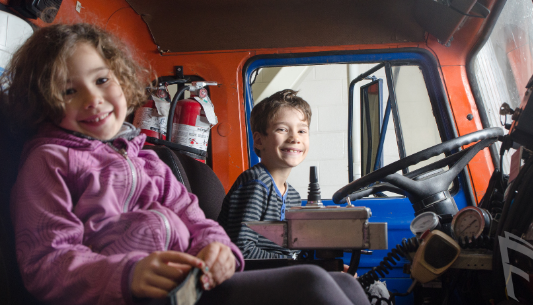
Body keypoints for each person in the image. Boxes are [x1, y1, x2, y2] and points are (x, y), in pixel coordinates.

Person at [3, 23, 369, 305]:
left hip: (190, 284)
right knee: (312, 284)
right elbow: (46, 261)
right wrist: (125, 275)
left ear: (120, 77)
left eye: (101, 80)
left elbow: (192, 215)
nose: (94, 99)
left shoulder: (145, 157)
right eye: (70, 90)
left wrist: (218, 248)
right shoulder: (50, 161)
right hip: (129, 294)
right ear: (46, 101)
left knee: (344, 283)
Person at [218, 89, 309, 259]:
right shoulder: (256, 184)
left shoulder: (294, 196)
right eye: (282, 129)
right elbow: (241, 250)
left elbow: (293, 252)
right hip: (252, 276)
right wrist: (296, 266)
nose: (295, 138)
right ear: (259, 141)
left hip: (281, 272)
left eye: (302, 131)